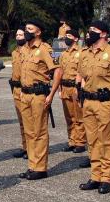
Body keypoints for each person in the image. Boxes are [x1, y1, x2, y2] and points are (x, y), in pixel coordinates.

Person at [76, 21, 110, 194]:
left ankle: (106, 178)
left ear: (103, 34)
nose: (89, 33)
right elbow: (82, 76)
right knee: (92, 141)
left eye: (93, 30)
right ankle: (95, 176)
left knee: (106, 141)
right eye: (89, 29)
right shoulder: (85, 53)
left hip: (105, 102)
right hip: (88, 102)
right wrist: (82, 93)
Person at [19, 20, 62, 180]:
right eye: (26, 28)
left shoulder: (45, 49)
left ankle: (40, 168)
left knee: (39, 132)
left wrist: (51, 94)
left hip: (39, 96)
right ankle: (32, 165)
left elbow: (57, 72)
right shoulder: (24, 49)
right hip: (26, 95)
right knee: (29, 132)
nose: (26, 31)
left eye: (30, 29)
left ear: (38, 32)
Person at [58, 28, 86, 155]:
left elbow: (82, 73)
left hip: (75, 87)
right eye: (65, 36)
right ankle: (72, 141)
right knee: (69, 116)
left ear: (75, 38)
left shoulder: (81, 53)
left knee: (78, 116)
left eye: (69, 36)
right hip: (65, 87)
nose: (66, 38)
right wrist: (59, 89)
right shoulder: (63, 54)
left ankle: (80, 142)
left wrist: (79, 88)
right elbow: (60, 73)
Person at [9, 27, 28, 159]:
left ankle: (31, 148)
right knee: (21, 121)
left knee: (29, 121)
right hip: (16, 89)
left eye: (21, 35)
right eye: (17, 34)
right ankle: (25, 146)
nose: (18, 37)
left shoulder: (30, 52)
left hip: (26, 89)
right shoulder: (14, 52)